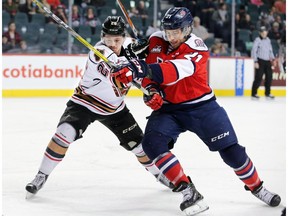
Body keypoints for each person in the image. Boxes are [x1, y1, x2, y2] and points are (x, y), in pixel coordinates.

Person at [112, 7, 281, 215]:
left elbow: (172, 71)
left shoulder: (198, 49)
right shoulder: (156, 40)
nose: (171, 37)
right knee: (151, 143)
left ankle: (258, 188)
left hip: (202, 108)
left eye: (176, 33)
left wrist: (141, 68)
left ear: (188, 29)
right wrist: (151, 88)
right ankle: (188, 190)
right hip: (169, 109)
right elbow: (149, 71)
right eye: (168, 32)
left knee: (232, 153)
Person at [25, 16, 171, 198]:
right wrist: (134, 59)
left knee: (139, 146)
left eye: (117, 40)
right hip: (84, 102)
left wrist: (148, 85)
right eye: (108, 39)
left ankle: (160, 175)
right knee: (64, 133)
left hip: (115, 109)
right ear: (102, 38)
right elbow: (118, 70)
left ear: (124, 38)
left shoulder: (128, 48)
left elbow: (142, 73)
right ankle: (41, 175)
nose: (112, 44)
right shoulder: (98, 52)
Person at [251, 26, 276, 100]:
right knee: (258, 77)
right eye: (263, 32)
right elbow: (254, 51)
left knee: (269, 77)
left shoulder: (268, 40)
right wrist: (255, 61)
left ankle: (267, 93)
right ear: (260, 33)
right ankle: (254, 93)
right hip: (260, 61)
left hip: (268, 61)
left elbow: (270, 50)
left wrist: (273, 59)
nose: (264, 33)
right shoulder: (257, 40)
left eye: (265, 32)